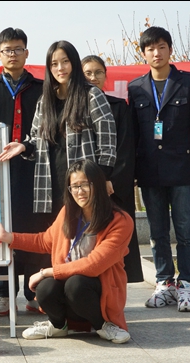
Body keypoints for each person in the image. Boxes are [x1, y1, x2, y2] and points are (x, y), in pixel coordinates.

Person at [0, 159, 133, 344]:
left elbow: (94, 265)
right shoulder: (69, 213)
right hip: (69, 293)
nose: (80, 191)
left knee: (75, 284)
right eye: (74, 186)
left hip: (95, 296)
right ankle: (58, 326)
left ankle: (104, 325)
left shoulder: (120, 221)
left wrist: (46, 272)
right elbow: (44, 241)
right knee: (45, 287)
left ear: (98, 184)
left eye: (85, 184)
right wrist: (7, 237)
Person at [127, 26, 190, 312]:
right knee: (157, 232)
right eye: (150, 48)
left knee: (185, 231)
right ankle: (164, 283)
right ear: (143, 54)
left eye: (161, 47)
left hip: (183, 169)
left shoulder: (188, 82)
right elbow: (134, 134)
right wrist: (133, 170)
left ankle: (187, 284)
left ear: (170, 50)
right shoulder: (136, 88)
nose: (156, 53)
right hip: (150, 171)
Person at [0, 40, 117, 233]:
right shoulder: (45, 100)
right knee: (55, 239)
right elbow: (35, 139)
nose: (60, 68)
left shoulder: (92, 95)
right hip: (49, 185)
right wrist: (24, 146)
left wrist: (101, 178)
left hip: (82, 184)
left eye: (65, 61)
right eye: (54, 64)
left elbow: (107, 142)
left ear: (74, 63)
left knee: (84, 238)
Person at [0, 27, 48, 316]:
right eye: (8, 50)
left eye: (18, 49)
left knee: (33, 228)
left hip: (34, 171)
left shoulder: (43, 89)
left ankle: (33, 293)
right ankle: (5, 294)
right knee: (1, 227)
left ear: (27, 53)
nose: (13, 54)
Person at [81, 55, 143, 283]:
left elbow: (125, 148)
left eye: (98, 72)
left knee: (114, 240)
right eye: (88, 73)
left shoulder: (118, 106)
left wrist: (108, 180)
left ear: (105, 76)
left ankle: (115, 289)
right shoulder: (74, 107)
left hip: (113, 187)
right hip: (82, 188)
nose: (93, 77)